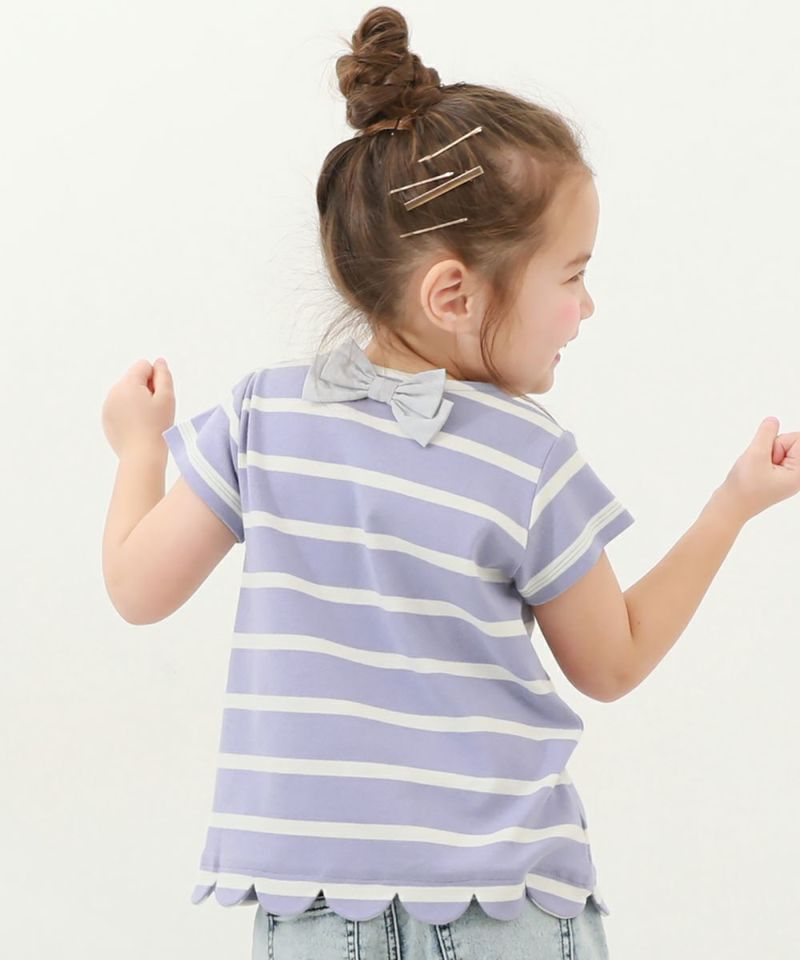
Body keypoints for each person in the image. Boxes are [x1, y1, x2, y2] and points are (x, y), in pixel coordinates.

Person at [100, 6, 800, 959]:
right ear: (453, 294)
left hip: (312, 908)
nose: (588, 307)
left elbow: (137, 589)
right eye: (572, 277)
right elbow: (614, 662)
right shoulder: (528, 457)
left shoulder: (263, 420)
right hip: (501, 907)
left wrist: (141, 447)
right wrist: (732, 507)